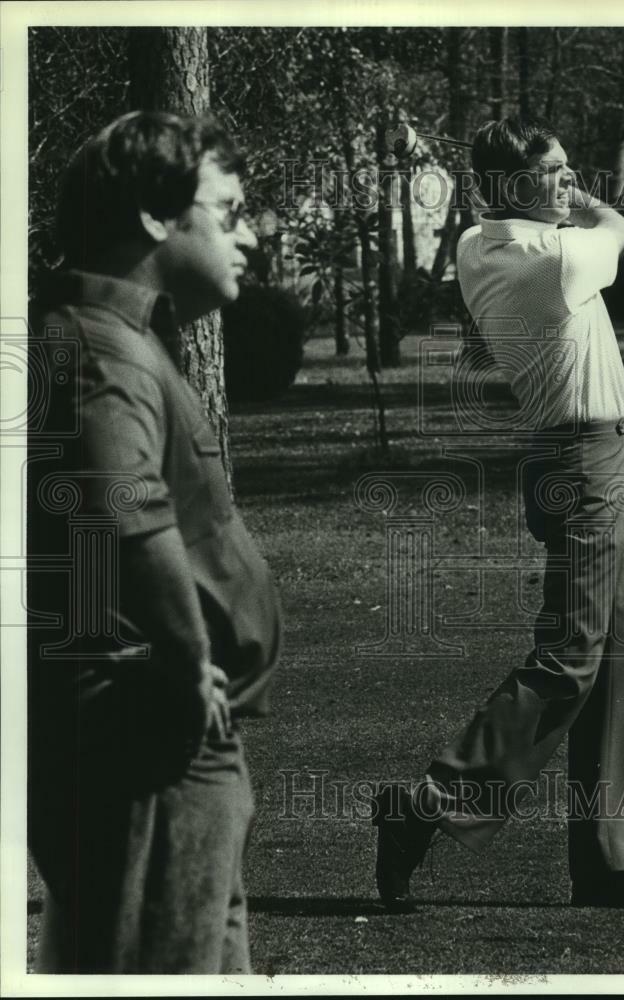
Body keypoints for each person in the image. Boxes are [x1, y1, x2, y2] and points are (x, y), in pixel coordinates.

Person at [373, 115, 624, 912]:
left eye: (571, 169)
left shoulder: (477, 248)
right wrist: (581, 203)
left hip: (584, 456)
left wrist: (558, 195)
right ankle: (430, 802)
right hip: (585, 460)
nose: (569, 181)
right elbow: (619, 224)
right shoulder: (557, 257)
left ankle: (612, 858)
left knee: (621, 654)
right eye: (555, 171)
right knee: (574, 652)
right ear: (510, 187)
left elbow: (576, 216)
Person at [27, 111, 282, 972]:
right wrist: (185, 658)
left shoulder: (115, 340)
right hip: (151, 743)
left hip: (168, 739)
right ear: (152, 215)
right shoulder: (101, 352)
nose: (246, 235)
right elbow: (126, 511)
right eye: (229, 209)